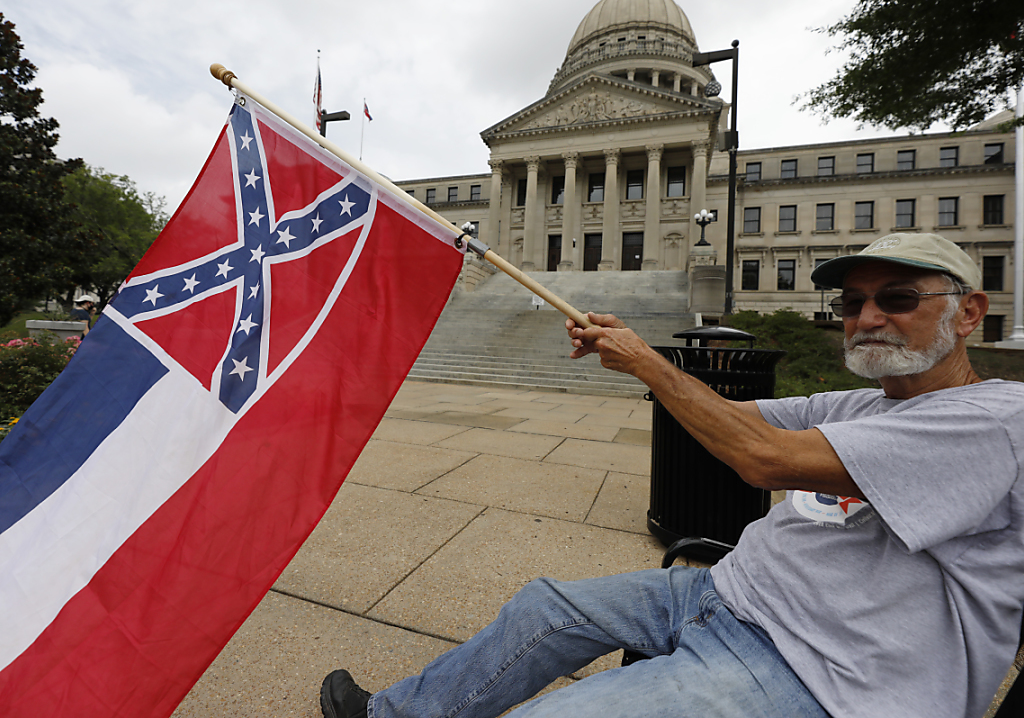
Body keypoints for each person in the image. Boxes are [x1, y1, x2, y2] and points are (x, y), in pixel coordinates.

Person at [320, 233, 1024, 718]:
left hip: (826, 670)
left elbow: (760, 455)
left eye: (897, 299)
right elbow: (726, 414)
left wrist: (647, 362)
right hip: (725, 593)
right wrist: (625, 348)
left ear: (969, 313)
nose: (866, 318)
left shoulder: (996, 419)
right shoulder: (859, 404)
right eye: (851, 304)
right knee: (543, 605)